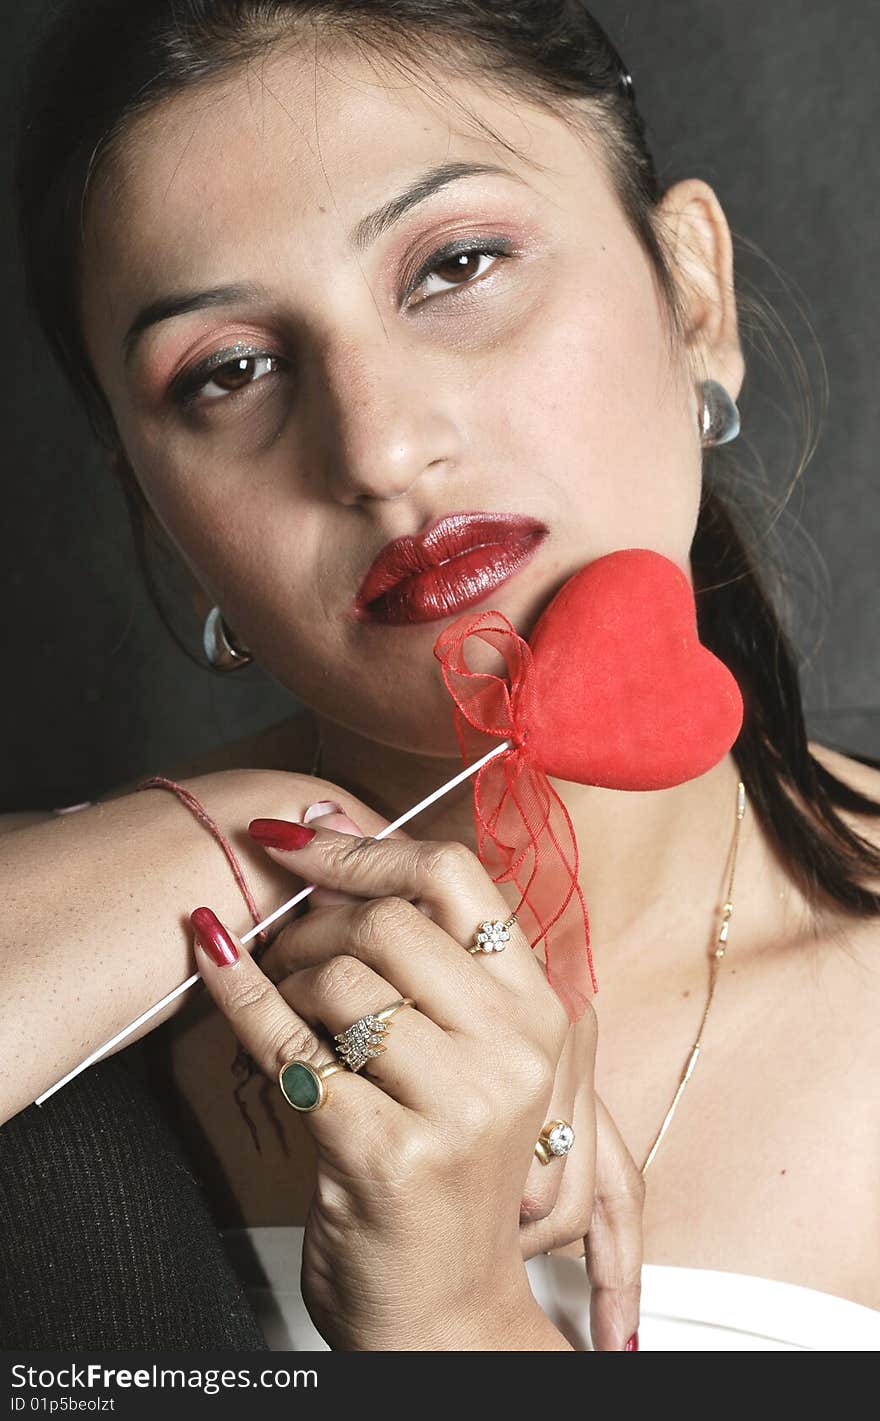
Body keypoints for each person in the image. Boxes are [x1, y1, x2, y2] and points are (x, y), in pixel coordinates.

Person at [3, 0, 880, 1352]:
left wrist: (456, 1323)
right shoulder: (84, 970)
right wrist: (247, 842)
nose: (378, 446)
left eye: (457, 263)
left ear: (691, 293)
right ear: (160, 518)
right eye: (230, 370)